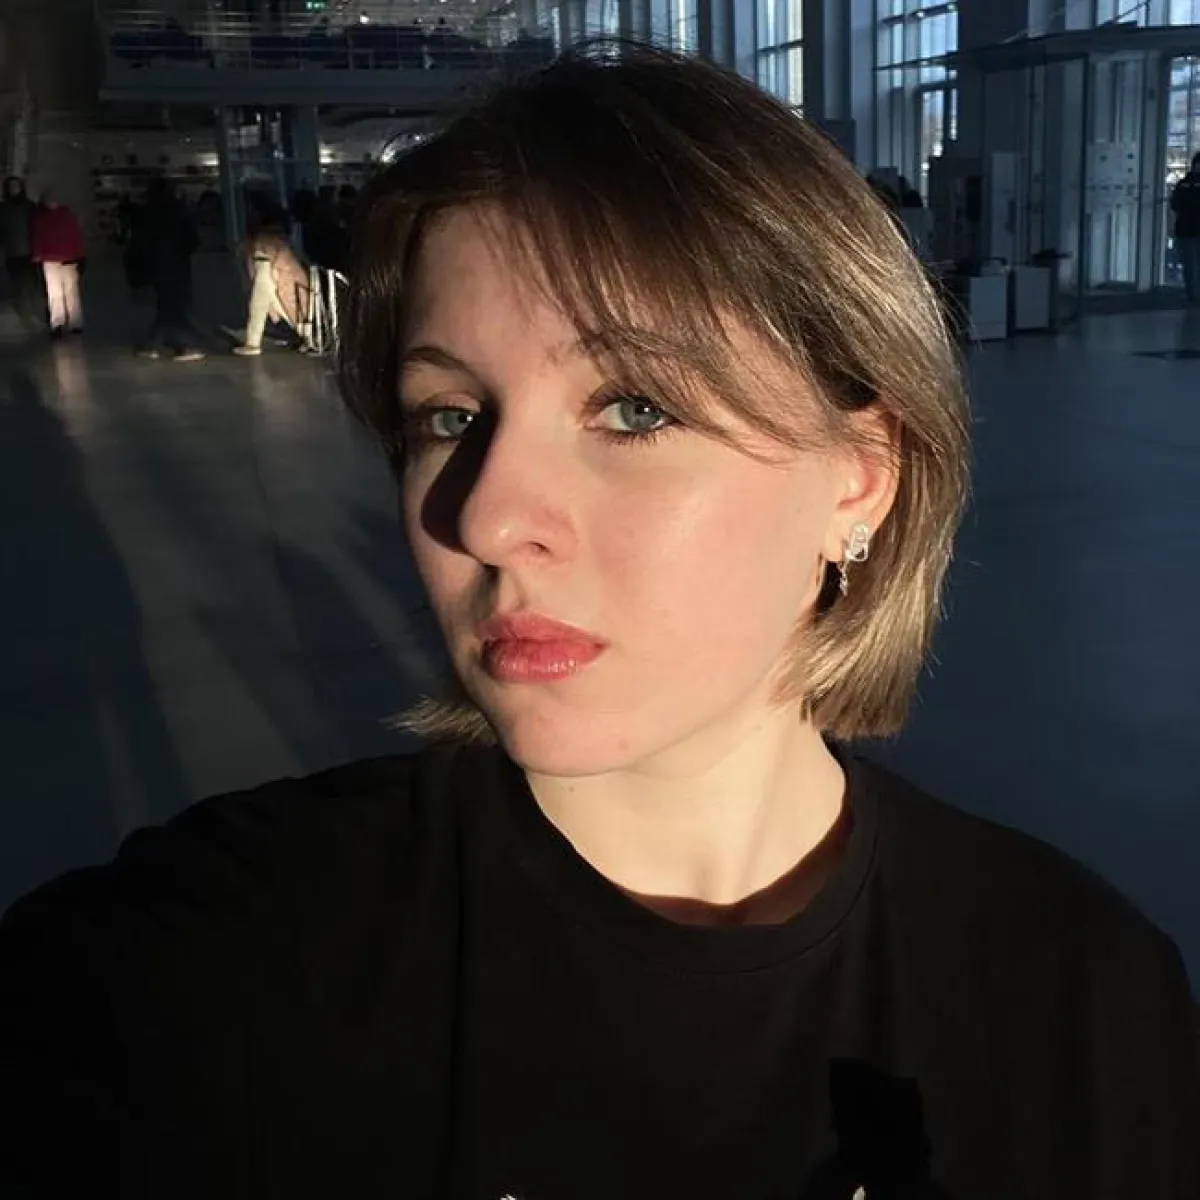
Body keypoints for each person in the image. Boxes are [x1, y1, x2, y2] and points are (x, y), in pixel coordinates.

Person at [1, 44, 1197, 1200]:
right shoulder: (225, 967)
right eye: (450, 417)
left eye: (633, 409)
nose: (486, 518)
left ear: (859, 480)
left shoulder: (1080, 1003)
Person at [133, 177, 206, 362]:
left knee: (166, 306)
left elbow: (139, 242)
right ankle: (180, 345)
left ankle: (155, 344)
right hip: (178, 265)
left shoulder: (147, 212)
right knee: (176, 306)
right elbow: (192, 240)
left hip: (157, 266)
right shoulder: (179, 211)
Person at [230, 205, 315, 356]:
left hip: (274, 274)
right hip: (282, 277)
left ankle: (253, 343)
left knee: (264, 305)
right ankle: (308, 337)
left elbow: (261, 289)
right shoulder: (278, 241)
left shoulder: (263, 241)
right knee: (290, 308)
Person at [29, 188, 85, 338]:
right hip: (62, 258)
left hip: (55, 258)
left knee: (60, 293)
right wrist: (80, 255)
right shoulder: (66, 215)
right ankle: (70, 323)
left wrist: (37, 255)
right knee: (65, 292)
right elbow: (76, 236)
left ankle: (61, 323)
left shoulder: (41, 218)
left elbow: (37, 238)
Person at [0, 175, 43, 330]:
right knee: (18, 286)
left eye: (16, 186)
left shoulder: (29, 206)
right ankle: (26, 317)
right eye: (11, 186)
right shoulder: (3, 208)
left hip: (30, 252)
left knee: (32, 285)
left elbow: (38, 228)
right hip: (12, 253)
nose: (14, 189)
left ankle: (37, 314)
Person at [1171, 152, 1200, 303]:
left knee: (1189, 264)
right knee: (1192, 264)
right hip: (1189, 230)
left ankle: (1192, 294)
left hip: (1185, 229)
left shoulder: (1182, 184)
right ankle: (1194, 294)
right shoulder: (1184, 184)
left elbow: (1175, 204)